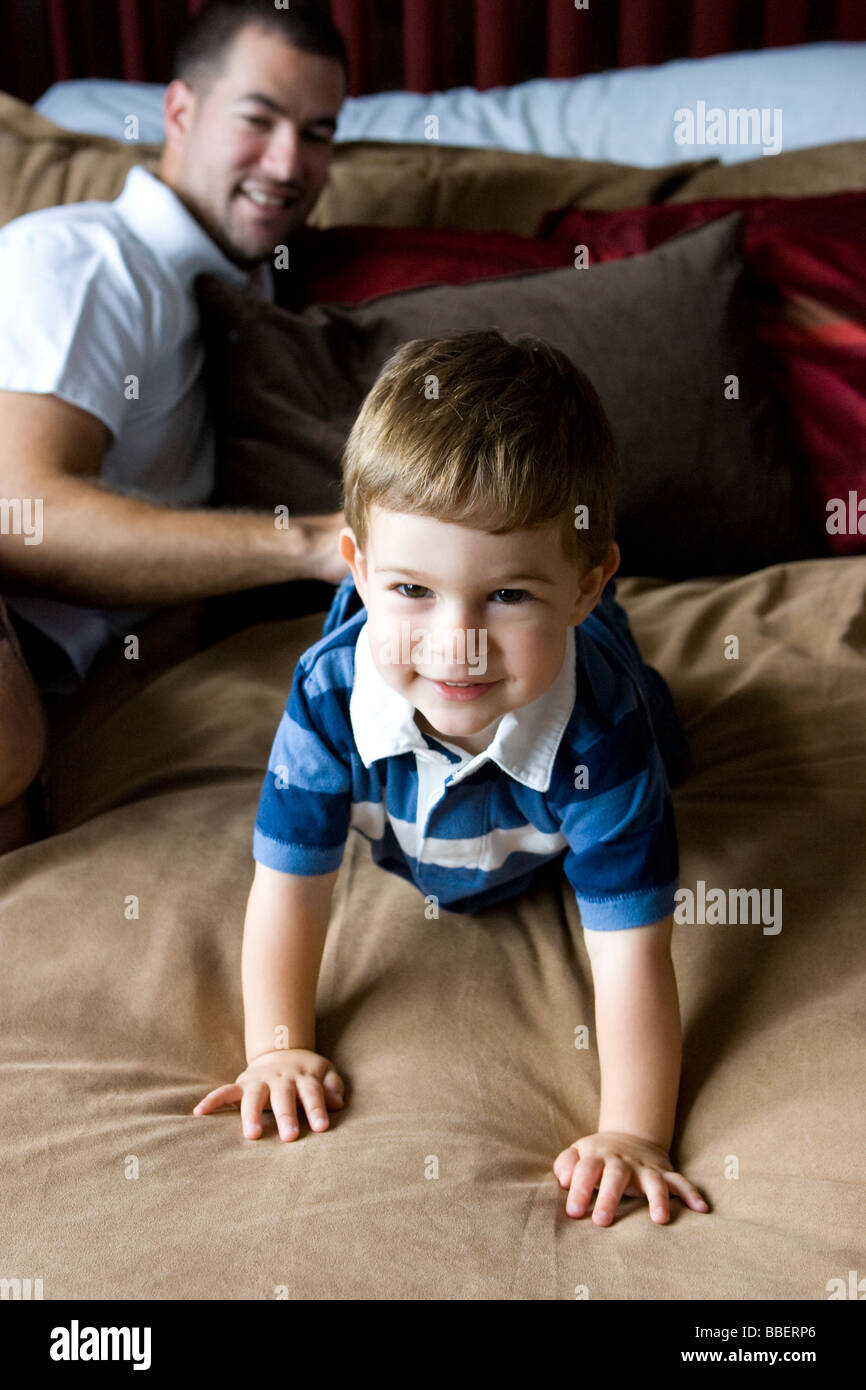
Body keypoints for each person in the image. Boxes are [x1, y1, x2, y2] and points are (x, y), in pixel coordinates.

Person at [193, 328, 708, 1230]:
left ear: (584, 585)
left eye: (507, 595)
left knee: (666, 728)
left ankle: (605, 628)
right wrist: (278, 1049)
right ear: (357, 569)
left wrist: (634, 1131)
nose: (456, 643)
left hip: (589, 694)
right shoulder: (329, 694)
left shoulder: (607, 732)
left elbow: (634, 955)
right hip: (424, 780)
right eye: (411, 591)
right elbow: (288, 890)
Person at [0, 0, 351, 854]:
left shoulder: (247, 306)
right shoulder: (94, 262)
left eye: (317, 132)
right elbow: (21, 511)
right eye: (259, 120)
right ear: (181, 112)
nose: (287, 162)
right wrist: (312, 544)